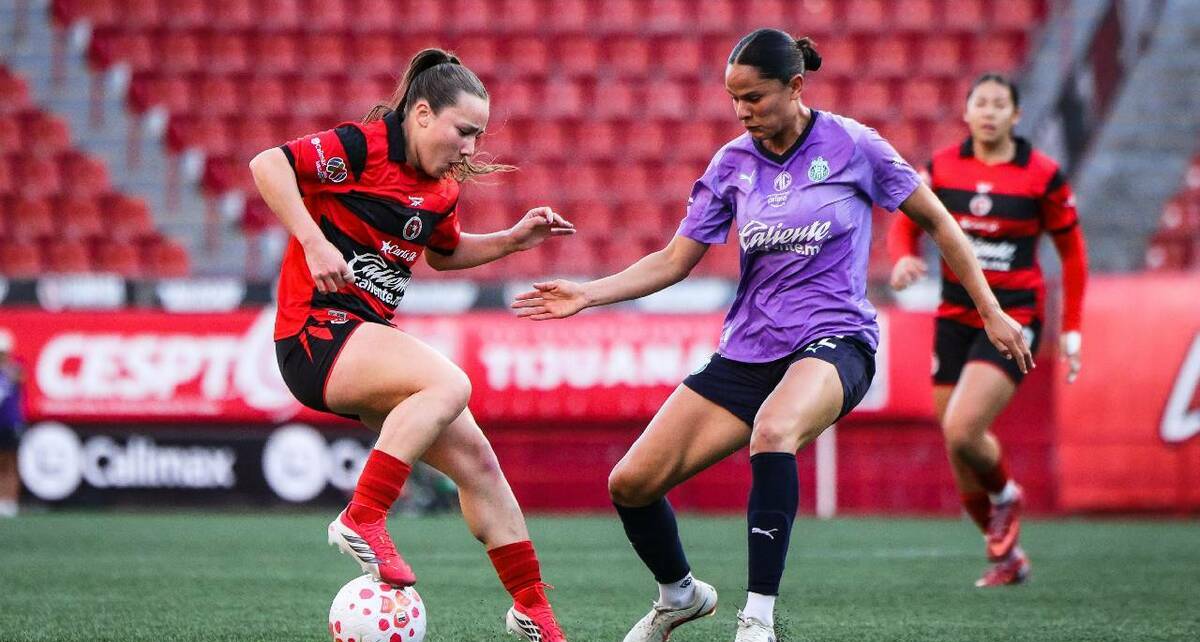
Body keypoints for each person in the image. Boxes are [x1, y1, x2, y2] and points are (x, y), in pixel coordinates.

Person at [512, 29, 1032, 642]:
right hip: (750, 349)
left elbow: (939, 224)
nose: (742, 111)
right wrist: (588, 293)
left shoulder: (855, 145)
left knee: (775, 429)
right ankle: (680, 596)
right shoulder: (731, 163)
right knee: (630, 483)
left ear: (795, 87)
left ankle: (757, 620)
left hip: (836, 341)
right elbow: (675, 259)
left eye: (754, 97)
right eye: (734, 99)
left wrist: (991, 310)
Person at [249, 48, 575, 641]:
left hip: (366, 339)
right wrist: (313, 243)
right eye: (465, 130)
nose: (472, 147)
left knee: (480, 466)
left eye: (478, 134)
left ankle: (534, 612)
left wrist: (512, 239)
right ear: (422, 114)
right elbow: (267, 164)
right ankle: (363, 515)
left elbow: (445, 254)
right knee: (449, 383)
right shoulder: (361, 146)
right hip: (315, 333)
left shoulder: (441, 191)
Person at [888, 73, 1088, 588]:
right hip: (955, 315)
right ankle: (1008, 558)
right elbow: (905, 219)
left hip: (1015, 315)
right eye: (982, 102)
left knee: (962, 428)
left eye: (1001, 104)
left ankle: (1006, 496)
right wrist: (905, 257)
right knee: (958, 449)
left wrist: (1072, 329)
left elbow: (1072, 254)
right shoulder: (944, 166)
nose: (991, 112)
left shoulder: (1041, 175)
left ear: (1016, 116)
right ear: (968, 112)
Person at [0, 328, 24, 518]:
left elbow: (20, 376)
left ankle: (10, 501)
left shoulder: (13, 368)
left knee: (11, 463)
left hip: (10, 423)